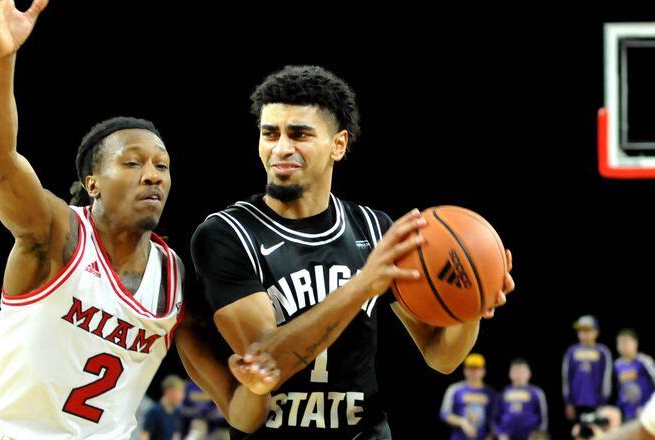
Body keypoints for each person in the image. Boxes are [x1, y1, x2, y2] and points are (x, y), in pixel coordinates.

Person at [0, 1, 276, 438]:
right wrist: (2, 58)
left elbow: (240, 413)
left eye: (162, 165)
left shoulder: (173, 280)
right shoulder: (57, 235)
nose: (153, 174)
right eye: (133, 163)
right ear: (92, 183)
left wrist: (258, 381)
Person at [186, 65, 514, 439]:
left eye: (299, 134)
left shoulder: (374, 229)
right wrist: (362, 285)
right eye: (269, 133)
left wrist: (472, 302)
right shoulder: (227, 235)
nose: (280, 148)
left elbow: (442, 357)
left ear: (338, 145)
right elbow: (266, 360)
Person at [563, 315, 614, 424]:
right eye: (581, 330)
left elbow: (606, 378)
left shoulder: (603, 351)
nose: (583, 333)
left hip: (597, 403)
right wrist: (568, 403)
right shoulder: (571, 351)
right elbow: (566, 377)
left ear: (596, 332)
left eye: (587, 330)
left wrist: (602, 402)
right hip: (576, 404)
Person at [441, 353, 498, 440]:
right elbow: (444, 414)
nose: (474, 372)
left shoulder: (491, 393)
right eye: (470, 368)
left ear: (483, 371)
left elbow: (495, 418)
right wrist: (462, 422)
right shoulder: (454, 389)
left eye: (477, 368)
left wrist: (491, 436)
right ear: (465, 370)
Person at [495, 358, 548, 440]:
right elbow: (495, 418)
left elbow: (543, 419)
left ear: (529, 374)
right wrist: (500, 434)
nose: (519, 374)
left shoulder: (536, 392)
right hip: (507, 437)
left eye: (522, 371)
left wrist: (537, 434)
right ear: (510, 373)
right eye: (515, 371)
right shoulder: (503, 393)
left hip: (531, 436)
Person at [614, 329, 655, 420]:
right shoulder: (617, 364)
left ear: (635, 343)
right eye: (619, 343)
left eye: (625, 343)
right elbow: (621, 388)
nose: (622, 346)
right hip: (627, 412)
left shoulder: (644, 361)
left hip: (646, 411)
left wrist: (649, 407)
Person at [141, 375, 186, 440]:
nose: (182, 397)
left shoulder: (177, 412)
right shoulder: (154, 411)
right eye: (179, 392)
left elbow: (175, 435)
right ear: (168, 392)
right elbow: (145, 435)